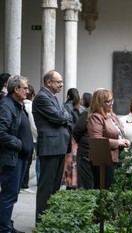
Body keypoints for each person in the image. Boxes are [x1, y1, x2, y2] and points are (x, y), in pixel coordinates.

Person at [33, 70, 72, 223]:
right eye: (58, 82)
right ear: (48, 82)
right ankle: (41, 221)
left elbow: (65, 114)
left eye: (61, 81)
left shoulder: (53, 97)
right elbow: (59, 117)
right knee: (46, 186)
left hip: (58, 146)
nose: (61, 84)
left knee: (55, 186)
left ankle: (49, 219)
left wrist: (64, 115)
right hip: (50, 146)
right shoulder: (42, 97)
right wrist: (64, 116)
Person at [0, 75, 33, 233]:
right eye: (25, 88)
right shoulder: (6, 106)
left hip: (19, 158)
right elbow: (1, 132)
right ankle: (4, 228)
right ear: (16, 89)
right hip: (11, 158)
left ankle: (7, 224)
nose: (27, 90)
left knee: (12, 195)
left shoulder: (17, 105)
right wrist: (19, 144)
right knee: (8, 195)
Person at [87, 89, 130, 188]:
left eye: (112, 100)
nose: (111, 104)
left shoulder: (112, 115)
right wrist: (118, 142)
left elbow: (118, 133)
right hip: (104, 159)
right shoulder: (95, 117)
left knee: (116, 189)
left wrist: (124, 140)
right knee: (105, 188)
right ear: (99, 103)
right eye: (107, 101)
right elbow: (96, 140)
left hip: (117, 157)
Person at [63, 88, 85, 189]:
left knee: (69, 162)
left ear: (68, 96)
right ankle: (75, 183)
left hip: (70, 138)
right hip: (78, 138)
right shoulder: (82, 109)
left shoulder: (65, 107)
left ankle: (69, 183)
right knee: (75, 162)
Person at [21, 84, 38, 192]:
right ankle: (24, 184)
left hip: (22, 137)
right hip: (31, 138)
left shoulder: (21, 105)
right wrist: (37, 136)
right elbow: (33, 125)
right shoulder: (31, 106)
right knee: (28, 162)